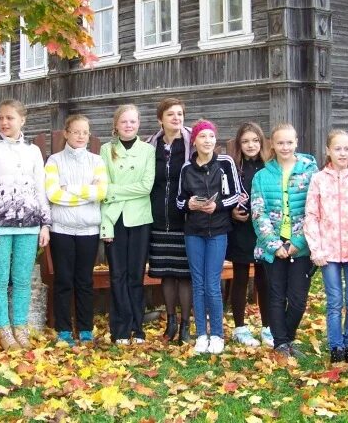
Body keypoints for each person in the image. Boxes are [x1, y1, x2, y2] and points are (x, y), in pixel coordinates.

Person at [0, 100, 51, 350]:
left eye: (10, 118)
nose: (4, 123)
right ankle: (4, 330)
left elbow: (41, 187)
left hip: (29, 226)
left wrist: (44, 224)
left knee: (21, 280)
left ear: (22, 120)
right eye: (0, 118)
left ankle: (21, 326)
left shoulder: (32, 151)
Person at [252, 123, 318, 357]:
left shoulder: (310, 172)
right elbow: (258, 212)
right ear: (273, 144)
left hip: (300, 244)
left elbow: (315, 210)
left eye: (289, 142)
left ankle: (287, 337)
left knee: (298, 299)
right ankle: (281, 343)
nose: (285, 147)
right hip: (274, 245)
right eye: (280, 142)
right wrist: (274, 244)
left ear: (296, 142)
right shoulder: (262, 176)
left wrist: (297, 243)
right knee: (276, 295)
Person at [177, 120, 242, 355]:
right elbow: (179, 201)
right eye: (202, 137)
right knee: (198, 283)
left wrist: (219, 206)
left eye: (211, 137)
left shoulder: (225, 163)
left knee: (212, 284)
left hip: (218, 230)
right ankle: (201, 334)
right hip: (194, 231)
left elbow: (237, 194)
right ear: (194, 140)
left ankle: (217, 334)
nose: (207, 141)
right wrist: (189, 204)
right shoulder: (187, 168)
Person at [45, 114, 108, 346]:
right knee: (63, 280)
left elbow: (100, 193)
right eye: (76, 131)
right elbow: (53, 194)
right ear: (66, 133)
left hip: (88, 230)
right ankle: (63, 329)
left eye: (85, 132)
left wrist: (69, 189)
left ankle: (85, 328)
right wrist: (85, 193)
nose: (81, 136)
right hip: (61, 229)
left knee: (84, 280)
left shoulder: (96, 161)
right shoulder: (54, 161)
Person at [304, 129, 348, 364]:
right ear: (328, 150)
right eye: (338, 148)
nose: (343, 153)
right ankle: (336, 347)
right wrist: (316, 249)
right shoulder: (319, 179)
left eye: (347, 148)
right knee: (335, 300)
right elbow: (311, 214)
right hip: (327, 251)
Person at [100, 104, 155, 345]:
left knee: (135, 275)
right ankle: (120, 329)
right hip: (114, 219)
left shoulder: (147, 150)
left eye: (133, 121)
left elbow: (146, 187)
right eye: (124, 122)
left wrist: (115, 191)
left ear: (139, 124)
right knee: (117, 275)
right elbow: (103, 189)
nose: (129, 125)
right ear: (116, 125)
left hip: (140, 219)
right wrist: (106, 225)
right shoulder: (106, 149)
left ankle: (137, 327)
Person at [146, 98, 193, 344]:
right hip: (157, 216)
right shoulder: (150, 146)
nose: (176, 118)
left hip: (183, 217)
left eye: (180, 114)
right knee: (166, 273)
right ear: (160, 119)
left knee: (184, 274)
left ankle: (186, 325)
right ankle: (171, 322)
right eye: (171, 114)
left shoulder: (193, 144)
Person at [227, 122, 272, 348]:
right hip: (241, 230)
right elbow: (225, 196)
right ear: (239, 144)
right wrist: (232, 212)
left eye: (255, 140)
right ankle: (240, 328)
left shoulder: (269, 167)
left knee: (264, 280)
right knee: (241, 277)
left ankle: (267, 327)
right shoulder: (234, 168)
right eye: (245, 141)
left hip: (263, 231)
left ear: (262, 142)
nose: (250, 145)